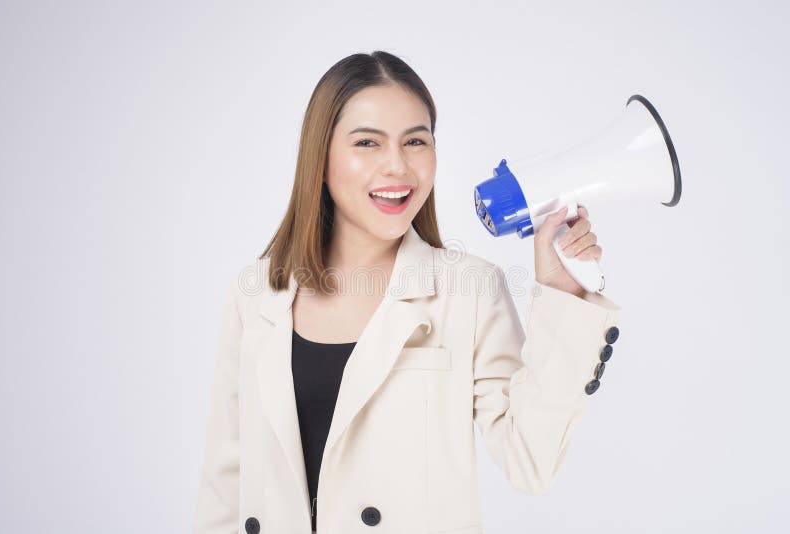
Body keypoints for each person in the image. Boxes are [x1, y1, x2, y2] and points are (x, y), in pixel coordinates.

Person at [193, 51, 621, 534]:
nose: (397, 166)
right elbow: (225, 486)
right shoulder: (256, 295)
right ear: (322, 156)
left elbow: (531, 462)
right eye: (367, 143)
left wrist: (561, 300)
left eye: (415, 141)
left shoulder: (469, 291)